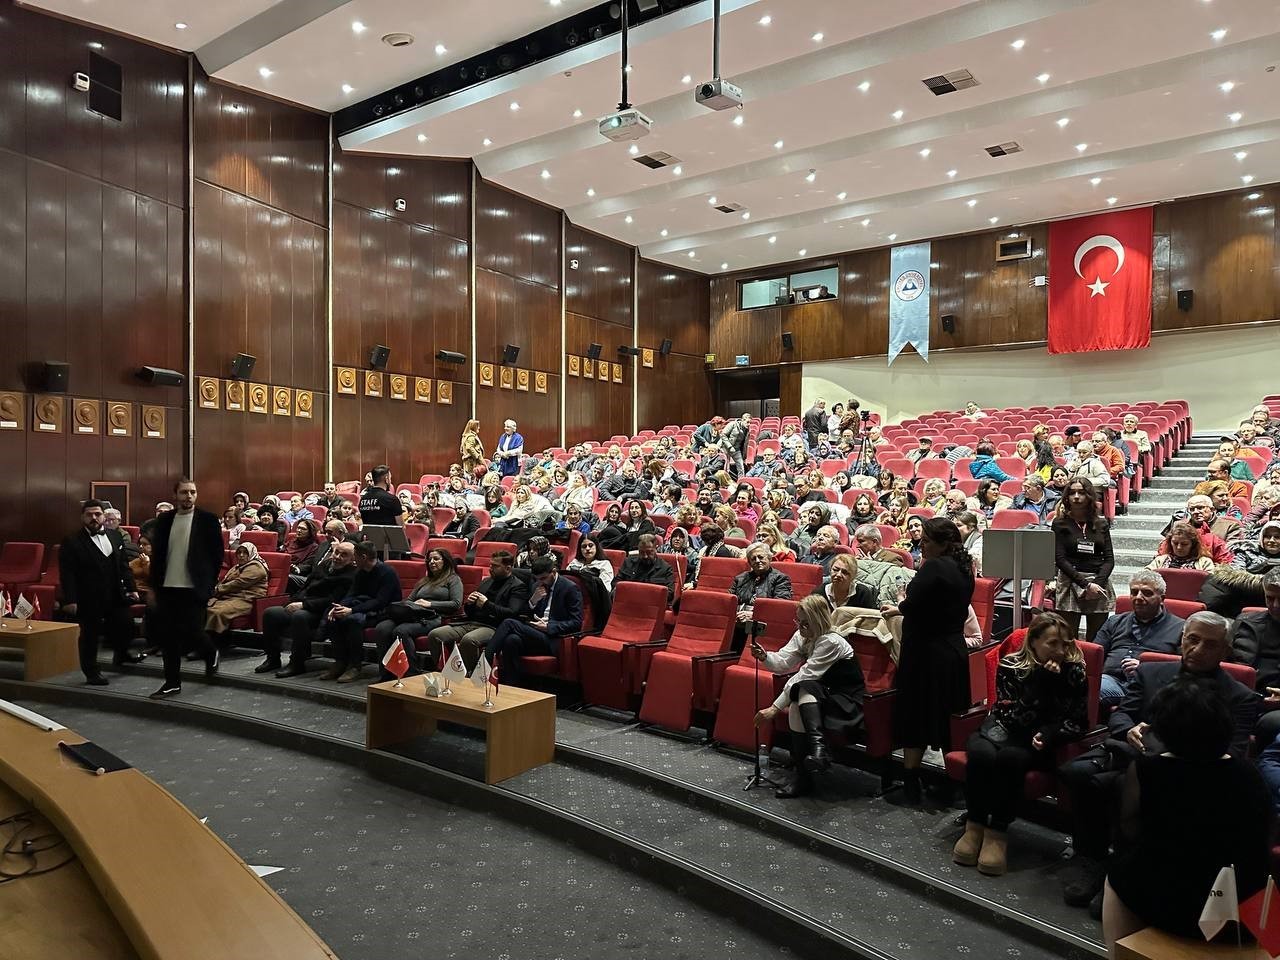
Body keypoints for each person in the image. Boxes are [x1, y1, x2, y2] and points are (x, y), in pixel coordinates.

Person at [1057, 611, 1256, 913]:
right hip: (1132, 754)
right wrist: (1131, 729)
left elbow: (1233, 750)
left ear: (1225, 650)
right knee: (1078, 772)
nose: (1198, 649)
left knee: (1129, 787)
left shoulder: (1239, 696)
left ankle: (1123, 868)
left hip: (1187, 773)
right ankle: (1092, 858)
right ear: (1182, 639)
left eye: (1210, 644)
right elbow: (1122, 714)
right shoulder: (1151, 673)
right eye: (1192, 639)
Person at [1102, 677, 1271, 948]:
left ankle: (1119, 952)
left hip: (1169, 901)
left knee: (1118, 875)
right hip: (1239, 901)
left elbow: (1131, 830)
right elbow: (1263, 833)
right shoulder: (1249, 772)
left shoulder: (1148, 770)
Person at [953, 612, 1087, 876]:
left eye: (1066, 644)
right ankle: (975, 824)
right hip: (1003, 728)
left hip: (1038, 740)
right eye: (1053, 644)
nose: (1060, 651)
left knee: (1009, 760)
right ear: (1034, 641)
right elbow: (1011, 716)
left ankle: (996, 833)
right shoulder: (1011, 665)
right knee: (980, 755)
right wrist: (1039, 682)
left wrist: (1050, 733)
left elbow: (1078, 723)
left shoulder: (1074, 672)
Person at [881, 517, 975, 803]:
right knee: (950, 719)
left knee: (916, 716)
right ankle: (954, 782)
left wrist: (897, 608)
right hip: (953, 651)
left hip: (925, 652)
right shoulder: (964, 568)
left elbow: (912, 604)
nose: (921, 545)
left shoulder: (933, 566)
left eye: (926, 541)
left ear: (943, 543)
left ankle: (911, 782)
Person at [752, 594, 865, 798]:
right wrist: (765, 656)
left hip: (845, 699)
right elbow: (784, 661)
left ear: (818, 621)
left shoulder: (831, 641)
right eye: (798, 621)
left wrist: (774, 709)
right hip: (820, 693)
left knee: (802, 687)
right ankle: (812, 763)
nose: (801, 627)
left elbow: (804, 674)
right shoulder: (804, 635)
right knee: (798, 698)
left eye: (806, 623)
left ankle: (816, 757)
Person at [147, 478, 225, 698]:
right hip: (167, 587)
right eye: (184, 492)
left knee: (193, 631)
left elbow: (216, 556)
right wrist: (153, 587)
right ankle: (172, 682)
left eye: (192, 492)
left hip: (194, 587)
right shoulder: (164, 520)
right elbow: (157, 557)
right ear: (175, 495)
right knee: (168, 637)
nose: (188, 496)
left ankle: (210, 654)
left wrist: (209, 585)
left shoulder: (208, 520)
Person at [58, 499, 142, 684]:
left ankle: (121, 654)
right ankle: (91, 672)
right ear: (82, 517)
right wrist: (70, 600)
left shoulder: (115, 536)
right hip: (88, 596)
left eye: (97, 514)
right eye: (89, 514)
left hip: (115, 593)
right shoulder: (71, 541)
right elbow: (67, 574)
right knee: (90, 635)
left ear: (104, 516)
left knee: (125, 624)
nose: (94, 518)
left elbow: (123, 566)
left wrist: (132, 588)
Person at [259, 540, 357, 676]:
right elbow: (306, 587)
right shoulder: (325, 564)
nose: (337, 557)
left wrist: (303, 605)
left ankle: (297, 663)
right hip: (303, 602)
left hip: (321, 611)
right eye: (336, 552)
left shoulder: (351, 575)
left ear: (353, 559)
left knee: (300, 616)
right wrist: (292, 602)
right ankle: (272, 659)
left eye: (344, 555)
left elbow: (332, 600)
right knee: (270, 613)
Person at [1091, 572, 1186, 708]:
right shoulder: (1115, 621)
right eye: (1134, 592)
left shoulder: (1180, 628)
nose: (1138, 597)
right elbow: (1095, 654)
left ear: (1162, 598)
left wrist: (1145, 668)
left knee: (1092, 689)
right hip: (1111, 679)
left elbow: (1184, 668)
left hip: (1149, 686)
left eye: (1147, 593)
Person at [486, 556, 583, 688]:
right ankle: (512, 686)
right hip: (534, 632)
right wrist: (533, 601)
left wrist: (549, 626)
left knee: (509, 623)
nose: (540, 582)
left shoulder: (570, 588)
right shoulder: (537, 585)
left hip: (553, 638)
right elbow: (525, 612)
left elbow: (576, 622)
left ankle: (486, 660)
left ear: (553, 572)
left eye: (543, 578)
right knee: (511, 640)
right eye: (537, 579)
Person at [426, 551, 530, 670]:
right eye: (490, 565)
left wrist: (486, 604)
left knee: (469, 640)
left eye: (495, 566)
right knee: (435, 635)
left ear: (508, 568)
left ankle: (471, 676)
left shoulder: (518, 586)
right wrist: (470, 604)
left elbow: (511, 613)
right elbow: (470, 611)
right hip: (470, 623)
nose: (491, 569)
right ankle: (446, 671)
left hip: (493, 626)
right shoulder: (486, 581)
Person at [372, 549, 463, 681]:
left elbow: (456, 604)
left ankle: (411, 674)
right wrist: (413, 606)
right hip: (414, 614)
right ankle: (386, 674)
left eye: (436, 559)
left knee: (401, 631)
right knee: (382, 628)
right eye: (429, 559)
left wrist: (430, 604)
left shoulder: (453, 579)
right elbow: (409, 600)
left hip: (435, 617)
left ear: (446, 561)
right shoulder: (425, 580)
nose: (432, 562)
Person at [320, 541, 402, 682]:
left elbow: (380, 601)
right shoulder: (360, 572)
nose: (353, 560)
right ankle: (340, 662)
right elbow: (352, 593)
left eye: (355, 556)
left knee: (352, 621)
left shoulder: (387, 572)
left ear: (363, 557)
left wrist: (351, 610)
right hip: (362, 607)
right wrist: (338, 607)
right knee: (334, 618)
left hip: (384, 611)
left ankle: (355, 666)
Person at [1051, 478, 1115, 641]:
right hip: (1070, 581)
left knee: (1097, 640)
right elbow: (1059, 558)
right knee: (1066, 639)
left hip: (1098, 583)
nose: (1077, 497)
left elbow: (1109, 559)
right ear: (1066, 497)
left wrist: (1096, 585)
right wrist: (1085, 585)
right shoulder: (1060, 523)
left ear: (1089, 496)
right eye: (1072, 493)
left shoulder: (1101, 523)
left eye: (1081, 492)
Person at [730, 544, 794, 648]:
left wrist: (754, 615)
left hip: (764, 625)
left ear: (769, 558)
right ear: (749, 563)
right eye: (753, 559)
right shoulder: (740, 578)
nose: (757, 561)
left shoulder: (780, 579)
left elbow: (781, 607)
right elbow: (730, 601)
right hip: (738, 622)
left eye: (761, 557)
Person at [615, 533, 675, 603]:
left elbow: (670, 594)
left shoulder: (665, 568)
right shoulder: (628, 563)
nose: (645, 556)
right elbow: (615, 583)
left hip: (652, 605)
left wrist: (645, 595)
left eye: (649, 552)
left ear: (656, 548)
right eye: (642, 552)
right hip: (629, 602)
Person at [1146, 520, 1214, 571]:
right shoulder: (1160, 561)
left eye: (1184, 544)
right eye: (1175, 543)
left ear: (1193, 544)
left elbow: (1210, 585)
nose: (1179, 547)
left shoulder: (1204, 563)